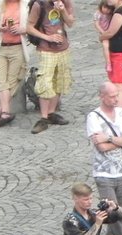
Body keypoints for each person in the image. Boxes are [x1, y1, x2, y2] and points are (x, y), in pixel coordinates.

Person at [85, 82, 122, 213]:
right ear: (102, 96)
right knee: (113, 213)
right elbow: (102, 147)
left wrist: (108, 138)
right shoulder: (94, 117)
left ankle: (113, 234)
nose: (116, 99)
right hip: (104, 174)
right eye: (112, 96)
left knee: (121, 212)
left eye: (117, 95)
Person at [25, 0, 74, 134]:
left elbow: (70, 22)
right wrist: (48, 37)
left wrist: (63, 10)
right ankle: (43, 117)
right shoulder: (39, 5)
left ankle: (52, 113)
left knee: (60, 81)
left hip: (63, 49)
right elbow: (29, 27)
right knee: (44, 82)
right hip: (46, 50)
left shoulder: (66, 2)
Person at [0, 0, 31, 128]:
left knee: (13, 81)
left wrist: (23, 29)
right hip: (0, 49)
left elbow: (35, 26)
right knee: (0, 80)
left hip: (18, 48)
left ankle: (0, 110)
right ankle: (5, 112)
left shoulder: (27, 5)